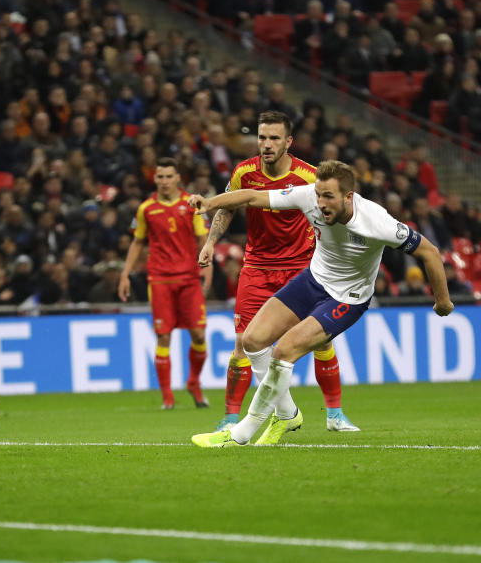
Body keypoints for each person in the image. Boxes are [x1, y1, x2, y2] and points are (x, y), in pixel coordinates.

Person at [189, 161, 453, 447]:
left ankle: (241, 434)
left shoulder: (378, 222)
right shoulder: (307, 196)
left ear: (348, 197)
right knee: (252, 340)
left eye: (329, 197)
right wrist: (210, 203)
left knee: (284, 351)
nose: (321, 203)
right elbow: (252, 196)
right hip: (313, 281)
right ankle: (288, 413)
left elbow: (430, 252)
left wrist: (443, 301)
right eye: (318, 194)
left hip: (347, 298)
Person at [199, 111, 359, 435]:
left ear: (289, 142)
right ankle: (232, 419)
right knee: (243, 342)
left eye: (274, 138)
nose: (266, 144)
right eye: (262, 137)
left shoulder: (309, 176)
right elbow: (228, 207)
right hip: (257, 267)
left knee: (321, 340)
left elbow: (334, 213)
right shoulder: (244, 172)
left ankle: (335, 414)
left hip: (301, 267)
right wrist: (210, 242)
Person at [118, 159, 211, 410]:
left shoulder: (191, 204)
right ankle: (167, 396)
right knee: (163, 336)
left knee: (199, 334)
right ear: (155, 179)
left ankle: (193, 382)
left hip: (189, 279)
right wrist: (125, 274)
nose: (164, 181)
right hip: (159, 279)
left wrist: (207, 269)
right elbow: (137, 243)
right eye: (160, 177)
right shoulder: (145, 208)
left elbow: (203, 238)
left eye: (169, 176)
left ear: (178, 178)